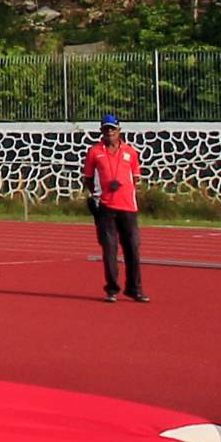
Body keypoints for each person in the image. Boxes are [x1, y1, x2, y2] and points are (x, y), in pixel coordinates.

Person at [82, 113, 148, 303]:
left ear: (119, 130)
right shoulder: (95, 152)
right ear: (101, 131)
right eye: (106, 129)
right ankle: (112, 289)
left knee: (133, 248)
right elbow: (88, 178)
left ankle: (134, 289)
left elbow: (135, 177)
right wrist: (98, 195)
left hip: (128, 207)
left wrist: (125, 191)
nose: (109, 132)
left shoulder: (130, 152)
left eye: (112, 129)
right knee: (109, 250)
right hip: (106, 208)